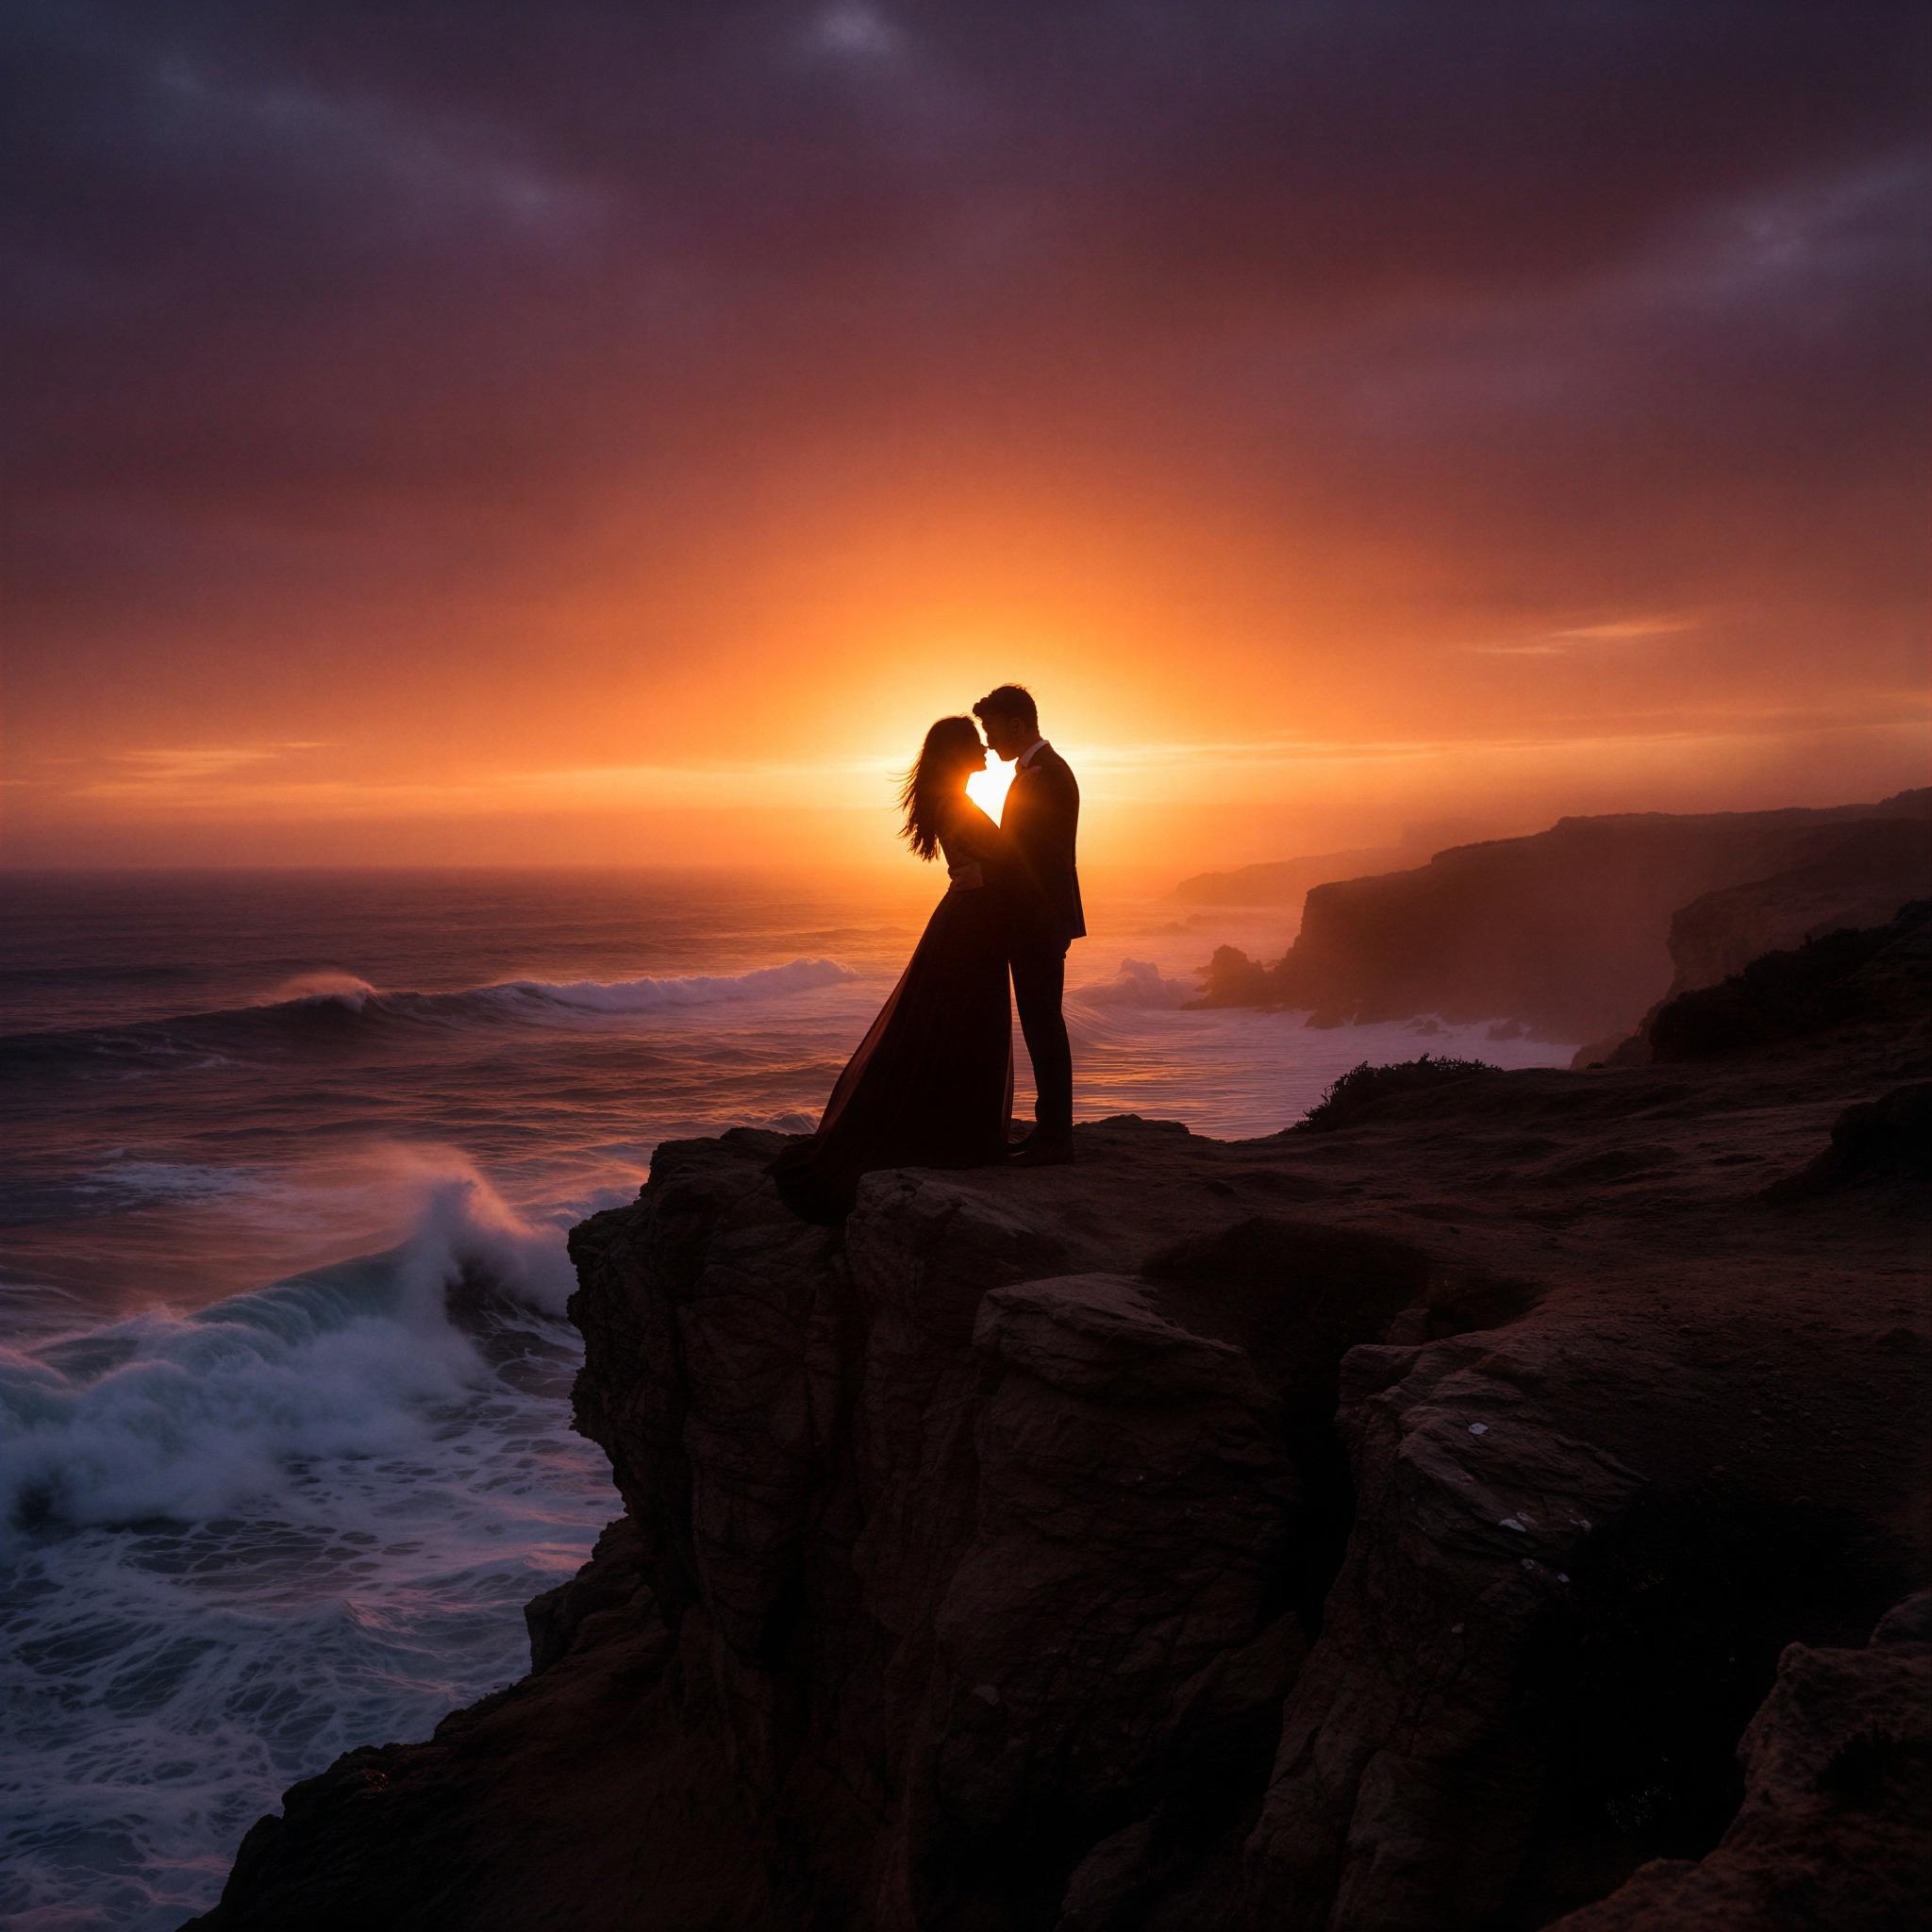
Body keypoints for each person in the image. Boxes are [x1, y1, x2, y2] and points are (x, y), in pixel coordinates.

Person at [771, 716, 1014, 1222]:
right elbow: (998, 865)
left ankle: (958, 1128)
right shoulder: (954, 802)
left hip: (972, 919)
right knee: (963, 1019)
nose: (986, 749)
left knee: (957, 1021)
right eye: (975, 743)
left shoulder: (952, 798)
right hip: (971, 921)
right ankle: (956, 1133)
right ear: (956, 752)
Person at [972, 683, 1084, 1165]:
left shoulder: (1047, 776)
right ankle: (1049, 1131)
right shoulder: (1038, 773)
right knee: (1041, 1024)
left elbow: (1030, 857)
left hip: (1039, 919)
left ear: (1017, 725)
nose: (989, 741)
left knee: (1043, 1025)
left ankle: (1056, 1138)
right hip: (1038, 918)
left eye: (992, 729)